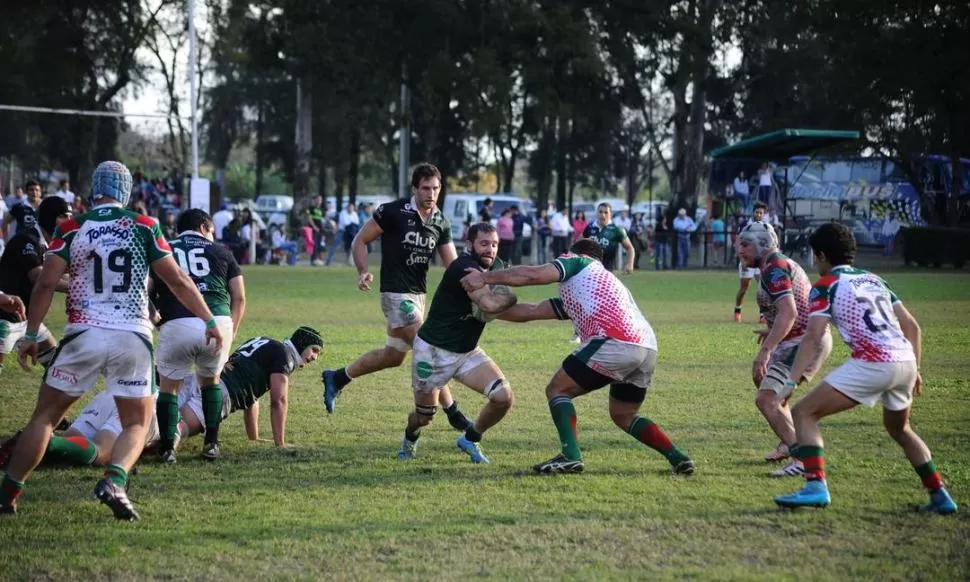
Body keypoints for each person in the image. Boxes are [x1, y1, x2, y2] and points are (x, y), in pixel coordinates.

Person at [1, 161, 223, 520]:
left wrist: (30, 333)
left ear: (94, 189)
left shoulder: (72, 227)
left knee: (44, 418)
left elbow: (45, 283)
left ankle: (9, 493)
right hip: (131, 336)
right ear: (126, 191)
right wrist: (209, 319)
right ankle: (115, 481)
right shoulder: (144, 225)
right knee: (137, 423)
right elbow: (178, 281)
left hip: (83, 334)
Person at [460, 238, 694, 475]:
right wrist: (485, 308)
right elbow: (530, 312)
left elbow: (532, 275)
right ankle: (678, 457)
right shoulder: (592, 286)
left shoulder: (578, 261)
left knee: (557, 390)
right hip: (647, 347)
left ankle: (570, 456)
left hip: (615, 340)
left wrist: (485, 278)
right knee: (624, 415)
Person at [773, 223, 957, 513]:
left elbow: (813, 336)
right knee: (900, 428)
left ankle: (815, 487)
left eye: (814, 256)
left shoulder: (826, 285)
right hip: (906, 361)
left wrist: (790, 383)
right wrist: (916, 369)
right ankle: (940, 495)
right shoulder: (874, 279)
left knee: (803, 412)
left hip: (875, 361)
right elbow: (912, 327)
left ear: (821, 256)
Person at [321, 163, 473, 433]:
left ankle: (338, 377)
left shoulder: (440, 221)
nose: (431, 194)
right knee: (429, 347)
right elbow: (360, 240)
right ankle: (453, 412)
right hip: (395, 294)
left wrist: (476, 283)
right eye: (425, 188)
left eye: (435, 188)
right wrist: (363, 271)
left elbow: (453, 266)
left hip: (419, 296)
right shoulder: (393, 211)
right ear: (414, 189)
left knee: (393, 356)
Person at [398, 223, 517, 463]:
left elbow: (509, 306)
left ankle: (470, 438)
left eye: (495, 244)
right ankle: (410, 437)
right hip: (432, 352)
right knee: (424, 417)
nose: (490, 249)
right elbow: (489, 305)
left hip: (466, 352)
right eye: (484, 244)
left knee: (503, 397)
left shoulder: (492, 270)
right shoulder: (464, 268)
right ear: (470, 244)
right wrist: (511, 296)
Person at [736, 221, 832, 472]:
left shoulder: (773, 269)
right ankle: (790, 443)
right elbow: (794, 309)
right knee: (768, 389)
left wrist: (765, 350)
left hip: (803, 342)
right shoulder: (774, 265)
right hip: (801, 338)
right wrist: (772, 331)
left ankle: (802, 458)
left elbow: (789, 312)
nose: (740, 250)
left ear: (762, 244)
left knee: (767, 399)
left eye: (745, 245)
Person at [151, 208, 246, 463]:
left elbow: (145, 288)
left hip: (178, 321)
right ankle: (211, 444)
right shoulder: (223, 252)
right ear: (204, 227)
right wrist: (232, 330)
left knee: (169, 388)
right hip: (218, 321)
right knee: (211, 383)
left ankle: (168, 448)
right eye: (212, 230)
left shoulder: (164, 248)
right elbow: (239, 297)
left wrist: (155, 317)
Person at [174, 327, 323, 451]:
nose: (315, 357)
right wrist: (280, 444)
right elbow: (279, 401)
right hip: (221, 393)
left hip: (200, 378)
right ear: (302, 343)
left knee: (166, 419)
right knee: (175, 431)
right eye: (314, 350)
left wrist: (254, 437)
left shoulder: (266, 342)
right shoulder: (285, 357)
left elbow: (252, 396)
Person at [0, 196, 72, 375]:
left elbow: (60, 272)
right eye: (64, 216)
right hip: (5, 317)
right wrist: (76, 288)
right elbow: (40, 277)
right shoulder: (26, 240)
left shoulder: (49, 243)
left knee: (58, 369)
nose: (70, 221)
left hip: (28, 320)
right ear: (50, 216)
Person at [0, 392, 161, 469]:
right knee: (103, 452)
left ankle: (34, 443)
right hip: (143, 404)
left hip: (110, 394)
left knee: (68, 443)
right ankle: (48, 443)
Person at [734, 202, 767, 322]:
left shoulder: (765, 226)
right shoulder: (745, 225)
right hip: (747, 261)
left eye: (761, 213)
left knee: (762, 288)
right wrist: (742, 259)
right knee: (744, 288)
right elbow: (738, 242)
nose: (759, 215)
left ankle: (763, 314)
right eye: (757, 212)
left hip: (759, 261)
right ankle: (737, 310)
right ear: (753, 212)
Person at [583, 203, 634, 273]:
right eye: (600, 212)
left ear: (611, 214)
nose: (603, 215)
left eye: (606, 212)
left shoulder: (616, 230)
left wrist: (630, 264)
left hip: (607, 271)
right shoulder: (589, 227)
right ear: (597, 213)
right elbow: (578, 243)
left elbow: (630, 248)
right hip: (589, 270)